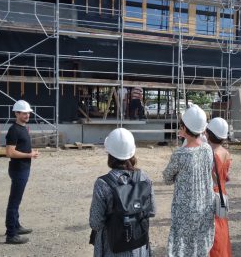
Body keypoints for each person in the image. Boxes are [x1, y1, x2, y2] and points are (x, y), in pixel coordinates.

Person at [89, 128, 156, 256]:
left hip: (112, 247)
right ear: (132, 153)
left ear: (110, 154)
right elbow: (152, 211)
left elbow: (96, 223)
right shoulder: (144, 178)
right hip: (138, 247)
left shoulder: (102, 184)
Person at [163, 105, 215, 257]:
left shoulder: (180, 154)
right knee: (200, 246)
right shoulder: (207, 149)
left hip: (185, 209)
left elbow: (167, 178)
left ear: (184, 128)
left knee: (182, 248)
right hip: (205, 205)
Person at [4, 100, 39, 244]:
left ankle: (16, 226)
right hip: (18, 170)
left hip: (23, 168)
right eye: (24, 113)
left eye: (28, 113)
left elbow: (20, 148)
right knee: (14, 202)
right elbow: (9, 152)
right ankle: (11, 234)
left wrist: (30, 152)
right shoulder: (14, 130)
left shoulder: (22, 128)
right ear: (16, 113)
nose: (27, 115)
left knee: (16, 201)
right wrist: (29, 155)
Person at [206, 117, 232, 257]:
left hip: (210, 194)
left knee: (212, 232)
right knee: (222, 228)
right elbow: (226, 176)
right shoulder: (226, 153)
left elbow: (210, 179)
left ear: (208, 133)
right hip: (222, 194)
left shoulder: (209, 154)